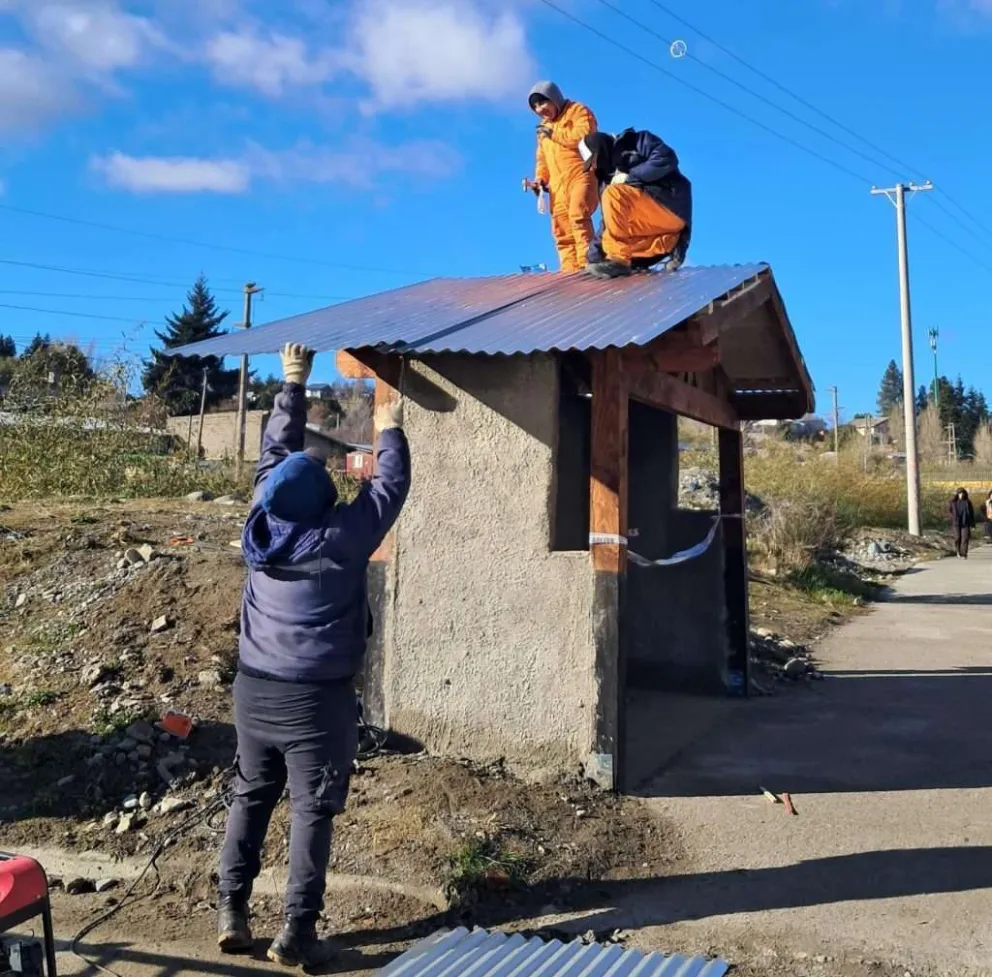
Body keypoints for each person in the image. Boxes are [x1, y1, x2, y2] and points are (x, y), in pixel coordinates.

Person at [217, 343, 411, 968]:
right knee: (311, 811)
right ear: (322, 502)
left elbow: (274, 457)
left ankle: (231, 909)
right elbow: (391, 485)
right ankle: (296, 932)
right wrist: (390, 426)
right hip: (315, 701)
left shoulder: (259, 524)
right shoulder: (340, 540)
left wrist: (292, 383)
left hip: (253, 690)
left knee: (250, 797)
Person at [579, 129, 692, 279]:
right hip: (657, 225)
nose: (594, 166)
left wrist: (631, 177)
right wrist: (592, 258)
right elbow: (610, 222)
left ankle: (619, 260)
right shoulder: (607, 180)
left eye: (593, 160)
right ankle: (669, 244)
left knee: (614, 195)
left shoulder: (636, 141)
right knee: (611, 239)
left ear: (601, 148)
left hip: (668, 205)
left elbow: (665, 158)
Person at [526, 81, 599, 274]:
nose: (539, 109)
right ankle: (570, 273)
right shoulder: (543, 129)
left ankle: (587, 266)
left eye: (543, 103)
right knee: (561, 231)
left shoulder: (577, 110)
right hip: (557, 186)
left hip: (581, 174)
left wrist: (555, 133)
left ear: (554, 98)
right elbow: (542, 159)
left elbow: (585, 136)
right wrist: (540, 179)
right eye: (535, 107)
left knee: (577, 216)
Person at [949, 487, 975, 559]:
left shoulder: (968, 502)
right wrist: (952, 517)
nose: (961, 495)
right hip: (956, 523)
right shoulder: (953, 502)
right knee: (957, 537)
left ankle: (964, 554)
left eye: (962, 493)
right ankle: (958, 551)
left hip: (965, 523)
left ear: (964, 494)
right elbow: (949, 511)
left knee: (965, 538)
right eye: (959, 493)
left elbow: (972, 513)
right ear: (957, 494)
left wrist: (973, 524)